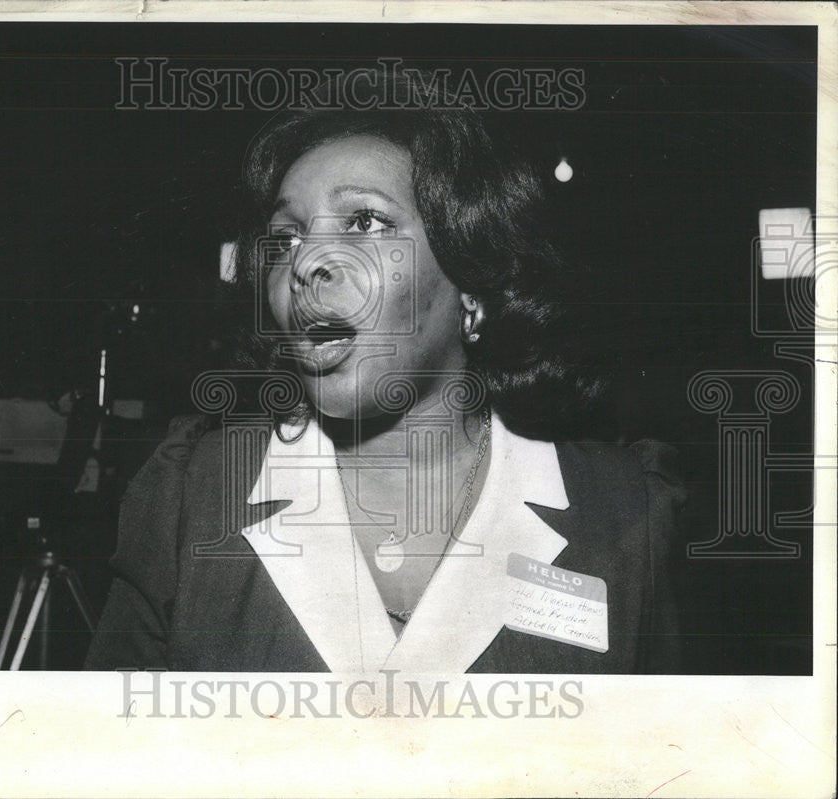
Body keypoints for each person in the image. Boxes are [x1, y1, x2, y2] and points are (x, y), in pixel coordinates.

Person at [85, 69, 685, 673]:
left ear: (473, 283)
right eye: (286, 238)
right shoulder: (193, 496)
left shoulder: (629, 511)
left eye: (365, 223)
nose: (307, 263)